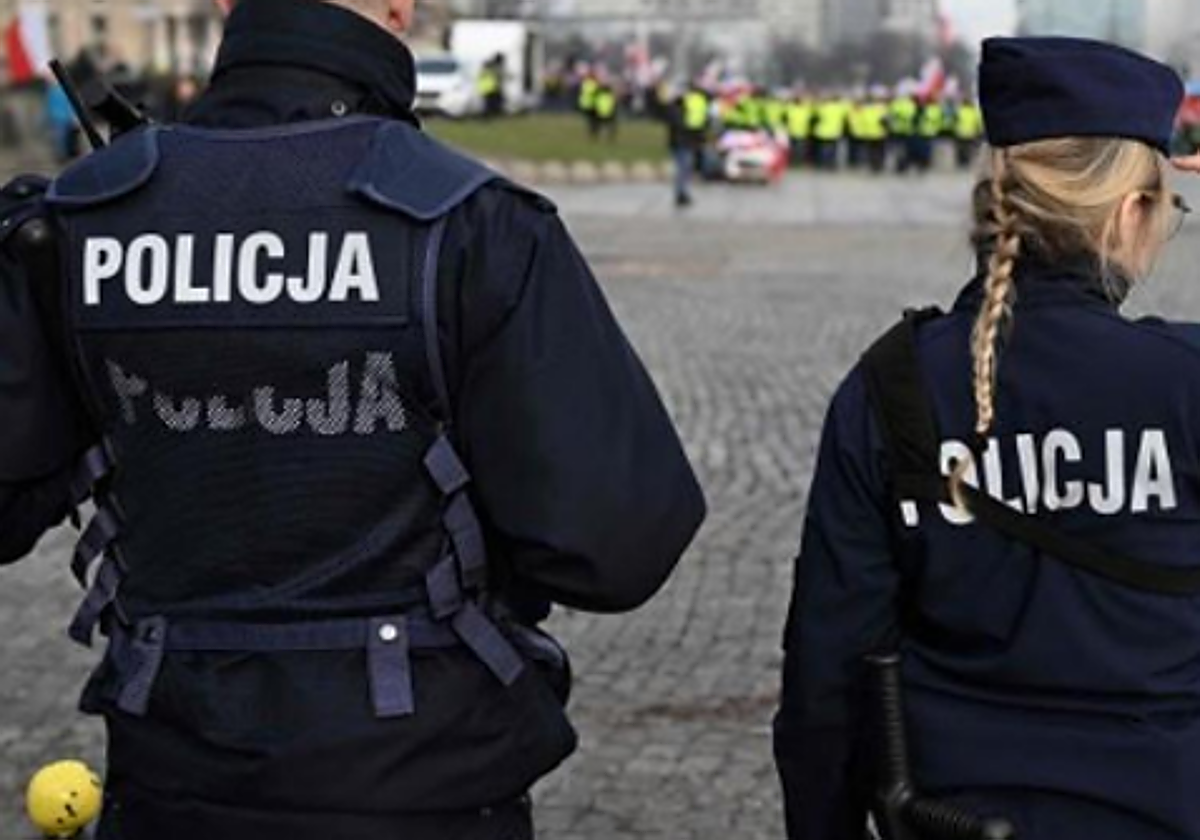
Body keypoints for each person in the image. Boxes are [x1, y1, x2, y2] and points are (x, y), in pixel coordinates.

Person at [0, 1, 707, 838]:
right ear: (401, 7)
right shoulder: (474, 221)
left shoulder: (75, 224)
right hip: (427, 777)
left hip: (172, 772)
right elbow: (617, 546)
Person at [775, 37, 1200, 840]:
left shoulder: (891, 385)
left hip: (954, 816)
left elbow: (827, 673)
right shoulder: (1184, 380)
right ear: (1127, 211)